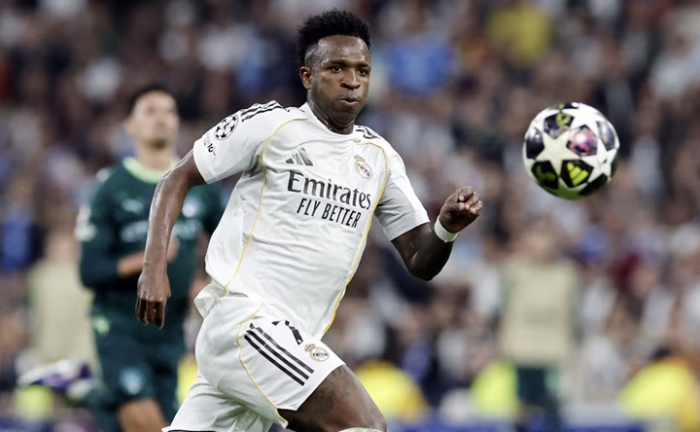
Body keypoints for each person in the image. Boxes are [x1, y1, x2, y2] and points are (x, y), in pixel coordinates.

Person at [136, 10, 483, 432]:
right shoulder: (272, 126)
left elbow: (420, 260)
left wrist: (445, 228)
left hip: (287, 340)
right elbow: (176, 178)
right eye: (337, 68)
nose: (351, 80)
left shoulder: (379, 158)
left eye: (362, 70)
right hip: (246, 323)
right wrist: (153, 267)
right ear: (307, 76)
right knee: (362, 425)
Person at [20, 85, 224, 432]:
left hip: (170, 332)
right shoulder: (109, 187)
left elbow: (229, 246)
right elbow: (88, 271)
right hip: (120, 329)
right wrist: (146, 262)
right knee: (151, 427)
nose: (161, 118)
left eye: (169, 111)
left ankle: (88, 391)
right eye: (150, 111)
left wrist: (205, 282)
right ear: (129, 125)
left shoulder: (200, 188)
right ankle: (98, 391)